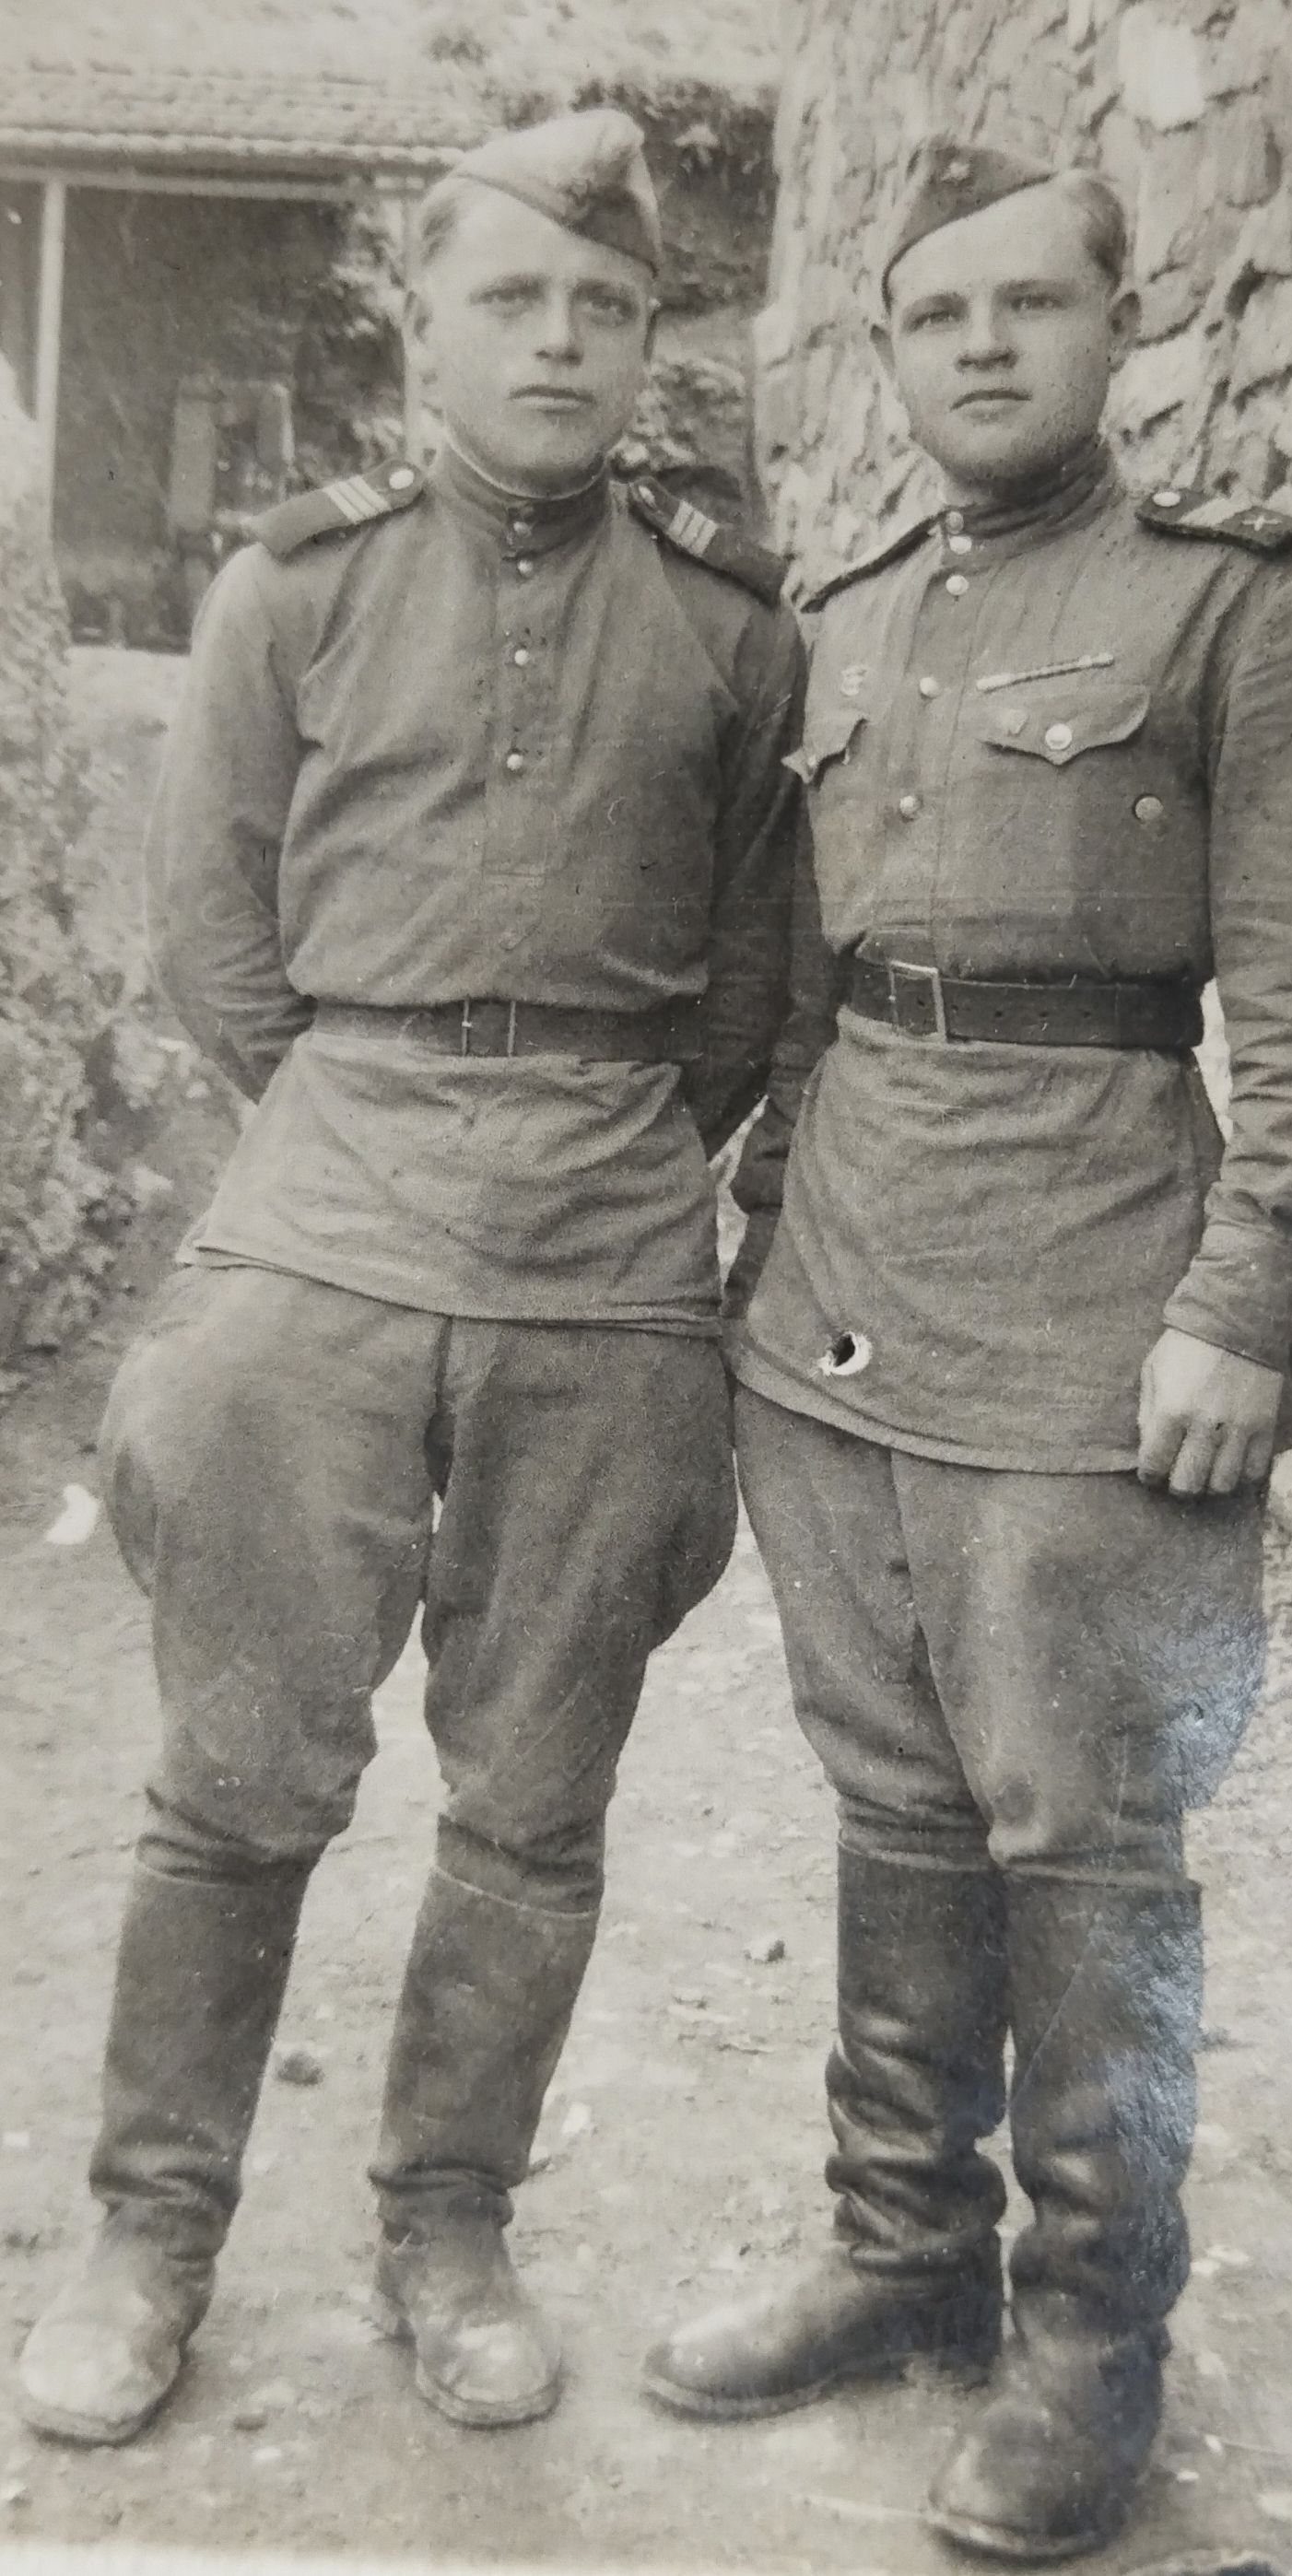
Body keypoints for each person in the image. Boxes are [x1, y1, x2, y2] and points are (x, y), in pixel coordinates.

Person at [643, 141, 1292, 2561]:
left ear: (1118, 327)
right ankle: (901, 2251)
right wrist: (761, 1250)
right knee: (890, 1798)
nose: (981, 343)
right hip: (839, 1308)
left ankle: (1092, 2343)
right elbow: (807, 994)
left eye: (1028, 303)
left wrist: (1239, 1302)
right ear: (888, 353)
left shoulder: (1240, 616)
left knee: (1085, 1840)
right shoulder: (849, 617)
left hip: (1097, 1315)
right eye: (934, 314)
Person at [18, 107, 803, 2450]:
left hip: (607, 1232)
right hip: (332, 1194)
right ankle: (148, 2233)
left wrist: (591, 1142)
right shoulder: (297, 588)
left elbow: (749, 987)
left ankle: (449, 2228)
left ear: (648, 343)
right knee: (237, 1767)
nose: (558, 340)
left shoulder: (733, 626)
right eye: (511, 299)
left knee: (537, 1792)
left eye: (604, 307)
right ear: (421, 326)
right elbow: (216, 932)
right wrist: (376, 1110)